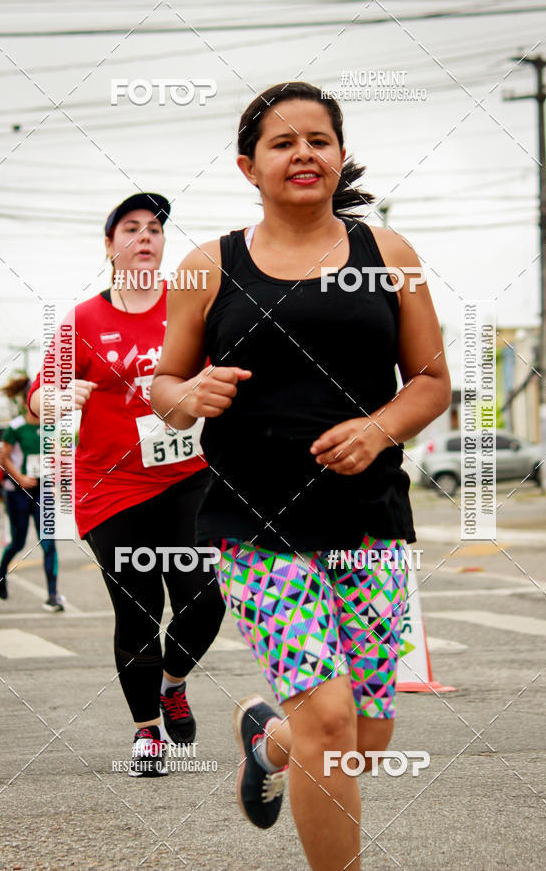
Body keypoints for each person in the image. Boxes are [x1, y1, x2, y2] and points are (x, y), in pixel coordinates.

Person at [150, 83, 451, 868]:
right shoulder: (205, 266)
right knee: (329, 724)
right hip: (255, 524)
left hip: (368, 516)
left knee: (366, 735)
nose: (303, 154)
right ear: (250, 167)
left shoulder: (389, 254)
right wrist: (189, 394)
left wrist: (379, 427)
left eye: (318, 139)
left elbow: (430, 380)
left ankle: (268, 741)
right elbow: (164, 386)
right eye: (282, 144)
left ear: (340, 154)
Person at [28, 193, 225, 776]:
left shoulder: (190, 308)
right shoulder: (83, 321)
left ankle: (173, 683)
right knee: (137, 609)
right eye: (131, 229)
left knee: (204, 602)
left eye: (155, 229)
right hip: (111, 489)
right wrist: (58, 399)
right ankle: (146, 732)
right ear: (110, 245)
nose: (145, 237)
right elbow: (41, 399)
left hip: (187, 478)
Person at [0, 375, 62, 611]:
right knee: (19, 541)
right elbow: (3, 457)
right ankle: (1, 572)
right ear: (27, 404)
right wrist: (19, 477)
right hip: (19, 492)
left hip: (43, 491)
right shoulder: (15, 428)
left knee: (48, 543)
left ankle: (53, 595)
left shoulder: (50, 426)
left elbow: (56, 456)